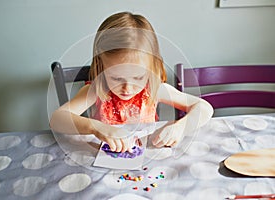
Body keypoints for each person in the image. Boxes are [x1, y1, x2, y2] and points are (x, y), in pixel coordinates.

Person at [50, 11, 213, 153]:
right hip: (105, 163)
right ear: (101, 67)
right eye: (116, 78)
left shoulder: (154, 89)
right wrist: (96, 127)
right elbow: (57, 119)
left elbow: (204, 108)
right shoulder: (95, 91)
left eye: (138, 78)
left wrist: (180, 128)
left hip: (146, 163)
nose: (127, 88)